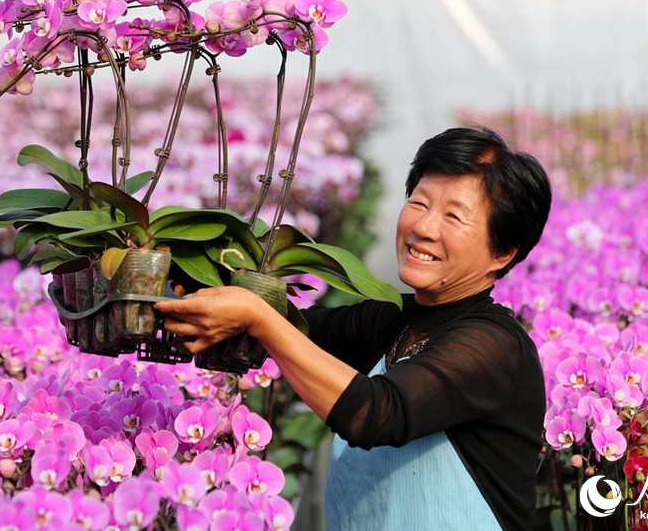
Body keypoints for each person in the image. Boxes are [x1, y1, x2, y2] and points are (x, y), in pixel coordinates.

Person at [157, 126, 551, 530]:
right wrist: (164, 283)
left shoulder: (496, 346)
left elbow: (376, 412)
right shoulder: (390, 319)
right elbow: (295, 331)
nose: (423, 228)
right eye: (419, 203)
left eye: (453, 216)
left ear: (502, 252)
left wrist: (261, 318)